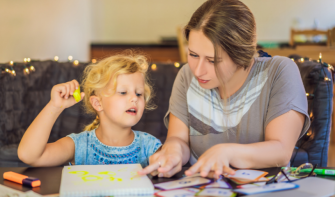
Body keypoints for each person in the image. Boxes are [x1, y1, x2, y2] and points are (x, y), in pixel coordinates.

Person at [138, 0, 310, 178]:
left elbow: (281, 151)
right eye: (193, 55)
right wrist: (173, 152)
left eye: (213, 60)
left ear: (240, 54)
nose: (198, 70)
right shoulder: (186, 76)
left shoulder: (279, 72)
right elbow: (178, 139)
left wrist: (227, 152)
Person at [18, 54, 162, 167]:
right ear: (97, 103)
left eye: (139, 94)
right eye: (123, 92)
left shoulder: (149, 146)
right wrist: (54, 106)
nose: (134, 99)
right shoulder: (79, 145)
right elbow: (28, 155)